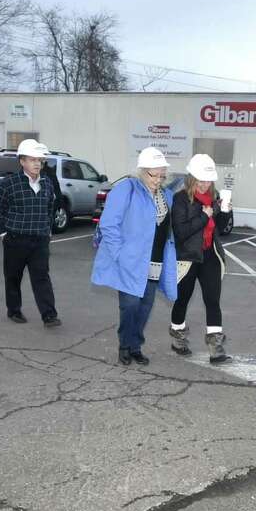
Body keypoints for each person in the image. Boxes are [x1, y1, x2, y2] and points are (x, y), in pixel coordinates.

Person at [91, 147, 179, 365]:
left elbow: (170, 227)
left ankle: (135, 345)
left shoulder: (166, 196)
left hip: (155, 260)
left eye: (162, 175)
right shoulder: (126, 189)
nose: (158, 179)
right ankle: (124, 345)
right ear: (142, 171)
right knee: (129, 305)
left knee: (145, 306)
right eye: (154, 174)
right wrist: (120, 254)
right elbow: (109, 224)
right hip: (130, 261)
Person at [0, 138, 61, 327]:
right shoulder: (9, 183)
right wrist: (4, 233)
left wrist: (47, 230)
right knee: (13, 277)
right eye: (32, 159)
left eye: (40, 160)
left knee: (42, 278)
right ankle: (14, 310)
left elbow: (50, 207)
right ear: (22, 161)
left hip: (40, 240)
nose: (37, 163)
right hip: (15, 239)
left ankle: (49, 315)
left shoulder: (47, 183)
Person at [169, 153, 232, 363]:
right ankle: (178, 340)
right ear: (191, 178)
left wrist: (224, 212)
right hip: (187, 257)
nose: (205, 184)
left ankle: (216, 349)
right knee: (182, 300)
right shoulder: (180, 199)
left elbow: (220, 230)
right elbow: (181, 232)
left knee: (213, 300)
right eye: (201, 180)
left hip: (209, 255)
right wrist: (204, 216)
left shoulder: (212, 200)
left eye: (208, 180)